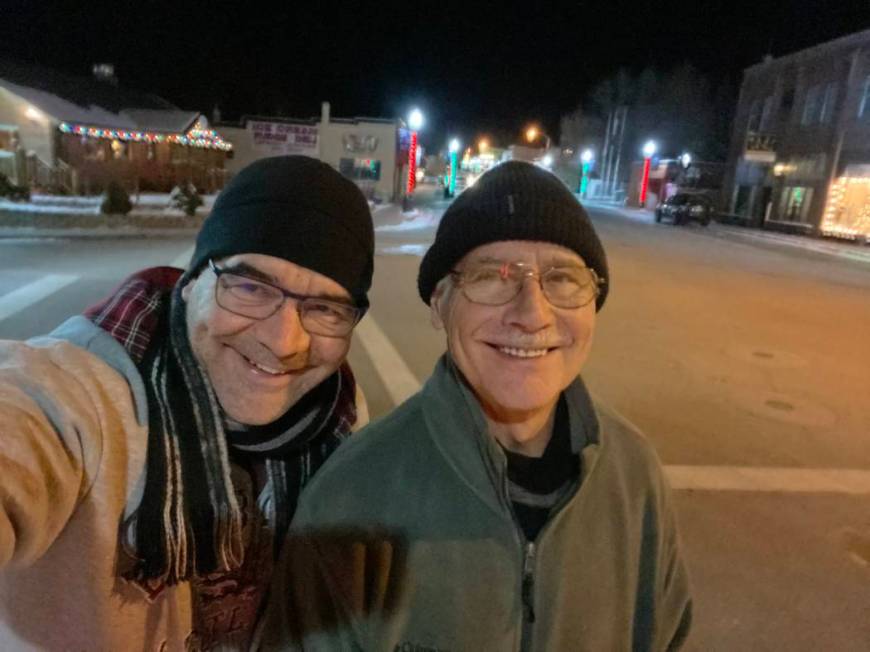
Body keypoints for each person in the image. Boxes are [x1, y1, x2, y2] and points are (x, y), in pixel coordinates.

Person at [259, 161, 692, 651]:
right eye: (493, 276)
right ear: (440, 304)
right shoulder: (351, 500)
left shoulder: (635, 478)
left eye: (563, 278)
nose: (532, 314)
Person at [0, 155, 375, 651]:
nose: (285, 342)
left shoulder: (337, 419)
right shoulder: (81, 396)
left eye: (324, 308)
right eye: (250, 286)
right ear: (193, 282)